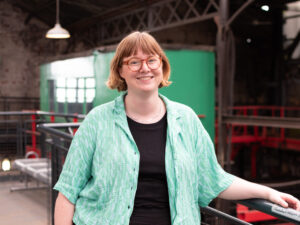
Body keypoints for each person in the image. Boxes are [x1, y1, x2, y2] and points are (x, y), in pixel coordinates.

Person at [54, 31, 300, 225]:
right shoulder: (97, 121)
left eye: (152, 60)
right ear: (121, 70)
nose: (145, 68)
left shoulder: (187, 120)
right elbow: (67, 192)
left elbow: (214, 179)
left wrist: (267, 193)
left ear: (161, 66)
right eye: (134, 62)